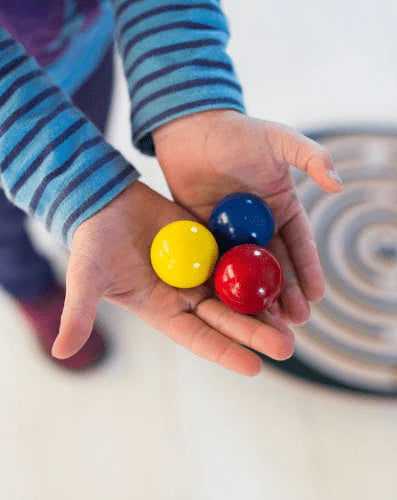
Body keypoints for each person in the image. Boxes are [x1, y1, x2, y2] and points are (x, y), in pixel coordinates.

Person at [0, 0, 342, 376]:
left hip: (82, 48)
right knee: (5, 231)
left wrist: (187, 99)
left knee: (86, 134)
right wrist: (67, 177)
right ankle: (32, 289)